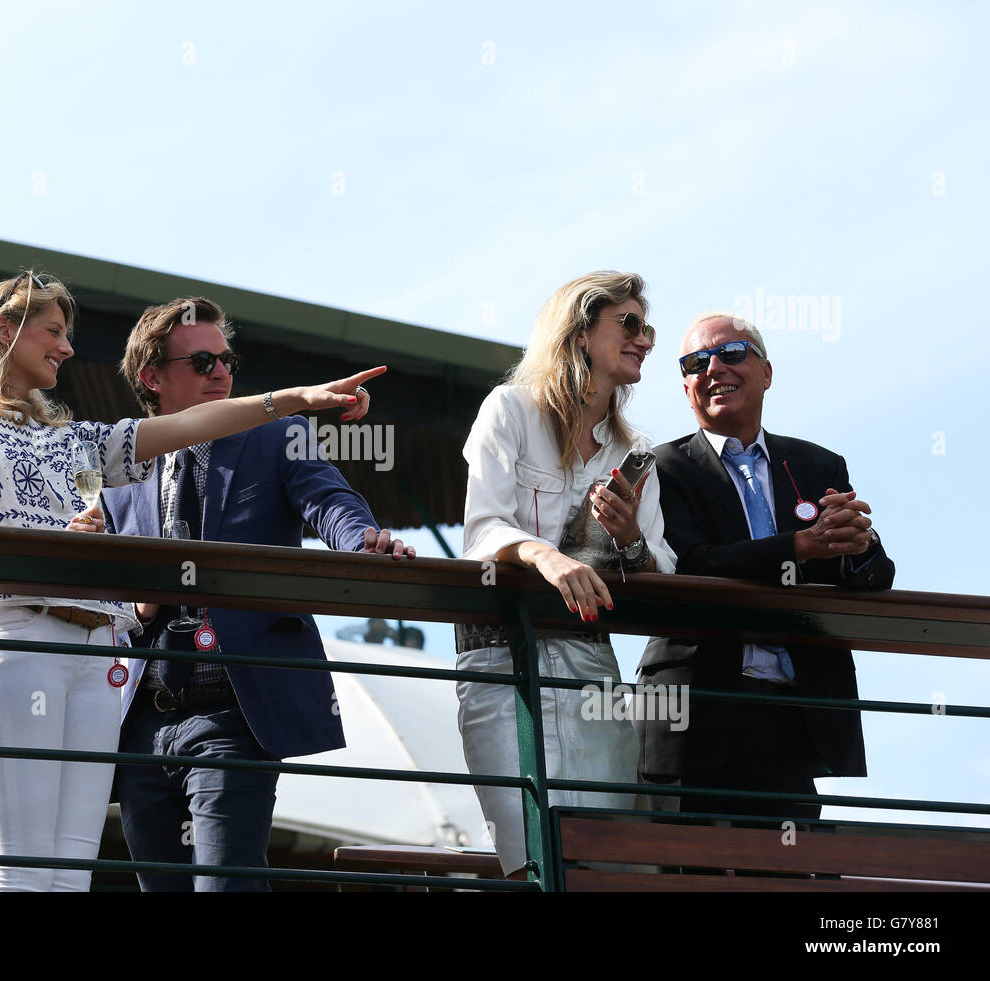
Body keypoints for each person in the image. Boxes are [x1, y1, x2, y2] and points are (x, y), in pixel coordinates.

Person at [0, 272, 382, 891]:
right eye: (53, 331)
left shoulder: (73, 441)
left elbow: (207, 439)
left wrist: (297, 402)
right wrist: (73, 559)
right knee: (27, 867)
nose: (67, 348)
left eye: (226, 360)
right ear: (3, 328)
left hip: (147, 678)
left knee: (88, 872)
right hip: (73, 670)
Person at [100, 296, 414, 891]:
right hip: (138, 719)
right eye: (200, 363)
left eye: (226, 359)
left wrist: (362, 543)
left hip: (231, 709)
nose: (220, 372)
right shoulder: (119, 470)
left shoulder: (277, 435)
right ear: (151, 377)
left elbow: (330, 503)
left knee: (225, 883)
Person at [456, 271, 676, 878]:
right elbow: (482, 531)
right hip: (500, 665)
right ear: (579, 332)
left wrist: (630, 540)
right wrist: (546, 556)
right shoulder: (509, 410)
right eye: (628, 324)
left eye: (646, 327)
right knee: (531, 863)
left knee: (606, 867)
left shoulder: (636, 459)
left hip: (591, 671)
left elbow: (661, 576)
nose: (645, 340)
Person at [637, 312, 895, 819]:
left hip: (791, 708)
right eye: (694, 362)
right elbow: (693, 564)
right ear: (685, 385)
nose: (713, 368)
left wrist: (857, 546)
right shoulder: (661, 467)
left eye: (731, 353)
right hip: (694, 705)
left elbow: (873, 577)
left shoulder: (819, 465)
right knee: (688, 873)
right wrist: (800, 546)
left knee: (788, 872)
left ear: (766, 373)